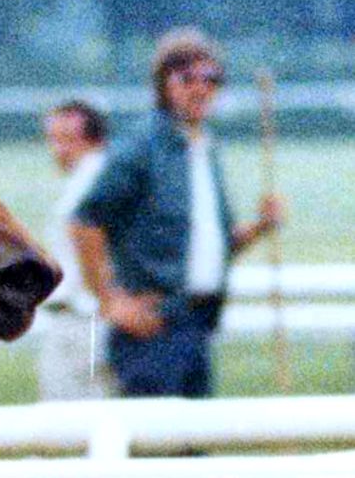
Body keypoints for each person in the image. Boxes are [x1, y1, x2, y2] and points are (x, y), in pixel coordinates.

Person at [68, 31, 286, 399]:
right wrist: (110, 302)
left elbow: (214, 248)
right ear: (163, 84)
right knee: (158, 451)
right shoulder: (141, 147)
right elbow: (84, 221)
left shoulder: (205, 148)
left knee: (193, 451)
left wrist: (261, 227)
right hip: (151, 329)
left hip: (198, 325)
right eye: (187, 79)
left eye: (211, 79)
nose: (200, 88)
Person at [36, 99, 109, 401]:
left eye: (67, 140)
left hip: (83, 321)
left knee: (62, 430)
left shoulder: (92, 183)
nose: (58, 150)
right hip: (81, 318)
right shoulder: (88, 179)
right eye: (53, 140)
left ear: (95, 140)